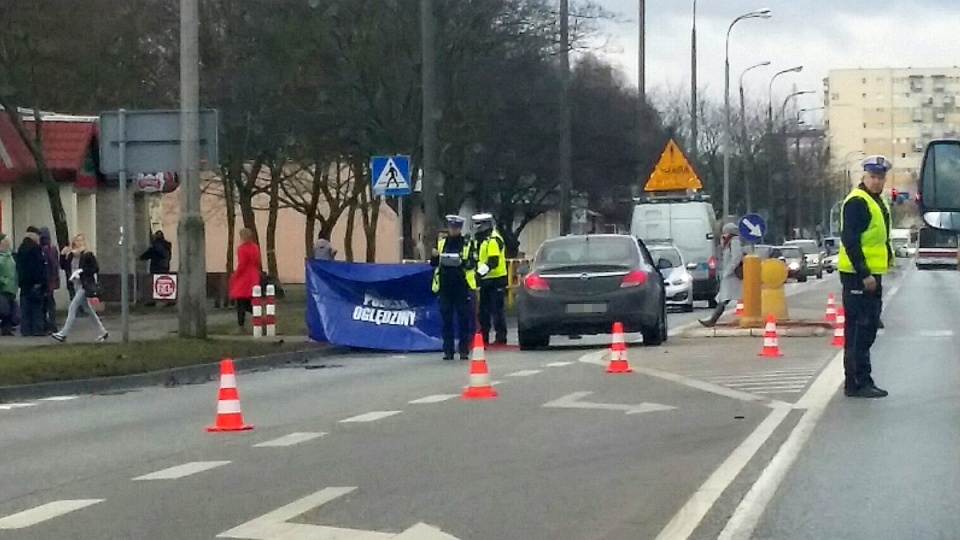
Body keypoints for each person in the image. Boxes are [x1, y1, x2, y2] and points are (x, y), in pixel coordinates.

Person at [837, 155, 894, 399]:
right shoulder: (858, 202)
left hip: (871, 275)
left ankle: (861, 379)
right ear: (864, 176)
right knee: (859, 331)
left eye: (880, 177)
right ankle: (857, 382)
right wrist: (864, 273)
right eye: (873, 177)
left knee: (867, 328)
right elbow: (850, 239)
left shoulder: (876, 201)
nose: (877, 181)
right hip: (858, 276)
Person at [430, 215, 477, 360]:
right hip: (445, 286)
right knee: (446, 319)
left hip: (462, 285)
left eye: (456, 228)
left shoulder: (467, 243)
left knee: (463, 319)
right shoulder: (441, 243)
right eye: (451, 227)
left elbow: (473, 262)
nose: (453, 230)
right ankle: (448, 351)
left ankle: (464, 350)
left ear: (460, 229)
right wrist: (435, 256)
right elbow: (433, 264)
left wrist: (461, 261)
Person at [52, 234, 109, 343]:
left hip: (85, 284)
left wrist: (82, 271)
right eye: (77, 241)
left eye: (81, 240)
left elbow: (95, 268)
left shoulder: (88, 255)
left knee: (72, 307)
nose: (79, 243)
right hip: (76, 285)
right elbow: (63, 266)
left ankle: (63, 333)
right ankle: (103, 331)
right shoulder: (72, 255)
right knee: (88, 310)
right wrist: (63, 255)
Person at [471, 212, 508, 345]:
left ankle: (500, 337)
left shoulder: (493, 239)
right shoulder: (480, 240)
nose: (476, 228)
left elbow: (493, 261)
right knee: (484, 310)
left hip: (496, 279)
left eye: (478, 226)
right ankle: (484, 336)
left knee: (497, 310)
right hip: (486, 280)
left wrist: (479, 273)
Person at [699, 223, 744, 327]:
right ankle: (713, 319)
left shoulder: (734, 241)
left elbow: (737, 257)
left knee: (725, 298)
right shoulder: (728, 242)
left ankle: (712, 320)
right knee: (723, 298)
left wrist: (729, 270)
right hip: (729, 276)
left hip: (733, 276)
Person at [229, 228, 263, 333]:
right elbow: (258, 261)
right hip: (253, 276)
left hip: (244, 279)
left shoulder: (242, 249)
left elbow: (242, 265)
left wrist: (234, 276)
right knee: (249, 302)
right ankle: (261, 317)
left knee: (240, 303)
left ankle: (241, 326)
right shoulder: (255, 248)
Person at [17, 229, 48, 336]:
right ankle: (37, 330)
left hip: (24, 284)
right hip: (35, 283)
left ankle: (26, 330)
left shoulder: (21, 248)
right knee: (37, 308)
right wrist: (41, 282)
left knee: (25, 309)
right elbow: (39, 267)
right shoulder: (36, 248)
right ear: (33, 236)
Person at [39, 227, 61, 332]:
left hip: (46, 280)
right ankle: (52, 324)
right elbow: (55, 266)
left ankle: (48, 324)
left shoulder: (44, 249)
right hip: (51, 281)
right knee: (50, 304)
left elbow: (51, 266)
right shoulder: (52, 249)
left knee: (45, 304)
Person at [0, 234, 18, 336]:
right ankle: (5, 328)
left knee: (11, 309)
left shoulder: (11, 256)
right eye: (5, 241)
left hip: (12, 286)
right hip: (3, 287)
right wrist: (3, 281)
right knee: (4, 309)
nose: (8, 243)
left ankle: (7, 328)